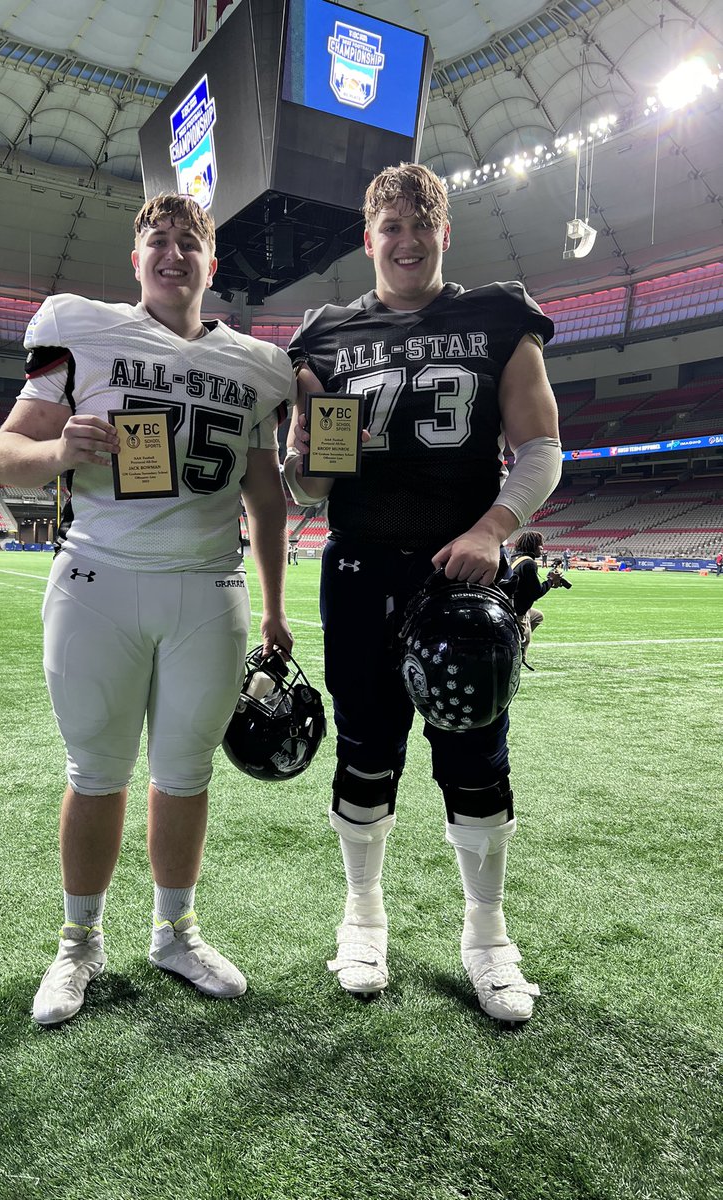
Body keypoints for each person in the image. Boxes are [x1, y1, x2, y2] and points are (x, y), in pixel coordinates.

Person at [0, 193, 294, 1026]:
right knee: (96, 772)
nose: (173, 253)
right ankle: (78, 942)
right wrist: (59, 448)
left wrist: (276, 607)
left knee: (186, 773)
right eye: (157, 240)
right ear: (136, 260)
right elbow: (6, 456)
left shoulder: (257, 366)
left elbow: (266, 499)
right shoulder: (81, 328)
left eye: (189, 241)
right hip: (100, 580)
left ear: (211, 263)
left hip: (209, 590)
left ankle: (174, 932)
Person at [283, 163, 562, 1023]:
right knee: (365, 750)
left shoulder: (497, 317)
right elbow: (312, 490)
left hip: (460, 577)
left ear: (445, 233)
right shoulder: (326, 335)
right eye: (390, 227)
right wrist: (301, 460)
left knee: (476, 756)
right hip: (360, 570)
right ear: (368, 239)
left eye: (420, 225)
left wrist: (492, 529)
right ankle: (363, 918)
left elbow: (542, 447)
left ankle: (487, 936)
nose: (406, 242)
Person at [510, 530, 565, 656]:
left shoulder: (515, 558)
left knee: (538, 616)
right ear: (533, 545)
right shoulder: (529, 563)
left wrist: (549, 582)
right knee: (525, 640)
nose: (542, 547)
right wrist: (551, 581)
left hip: (510, 604)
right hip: (518, 610)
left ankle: (516, 633)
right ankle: (519, 651)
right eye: (540, 544)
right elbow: (536, 593)